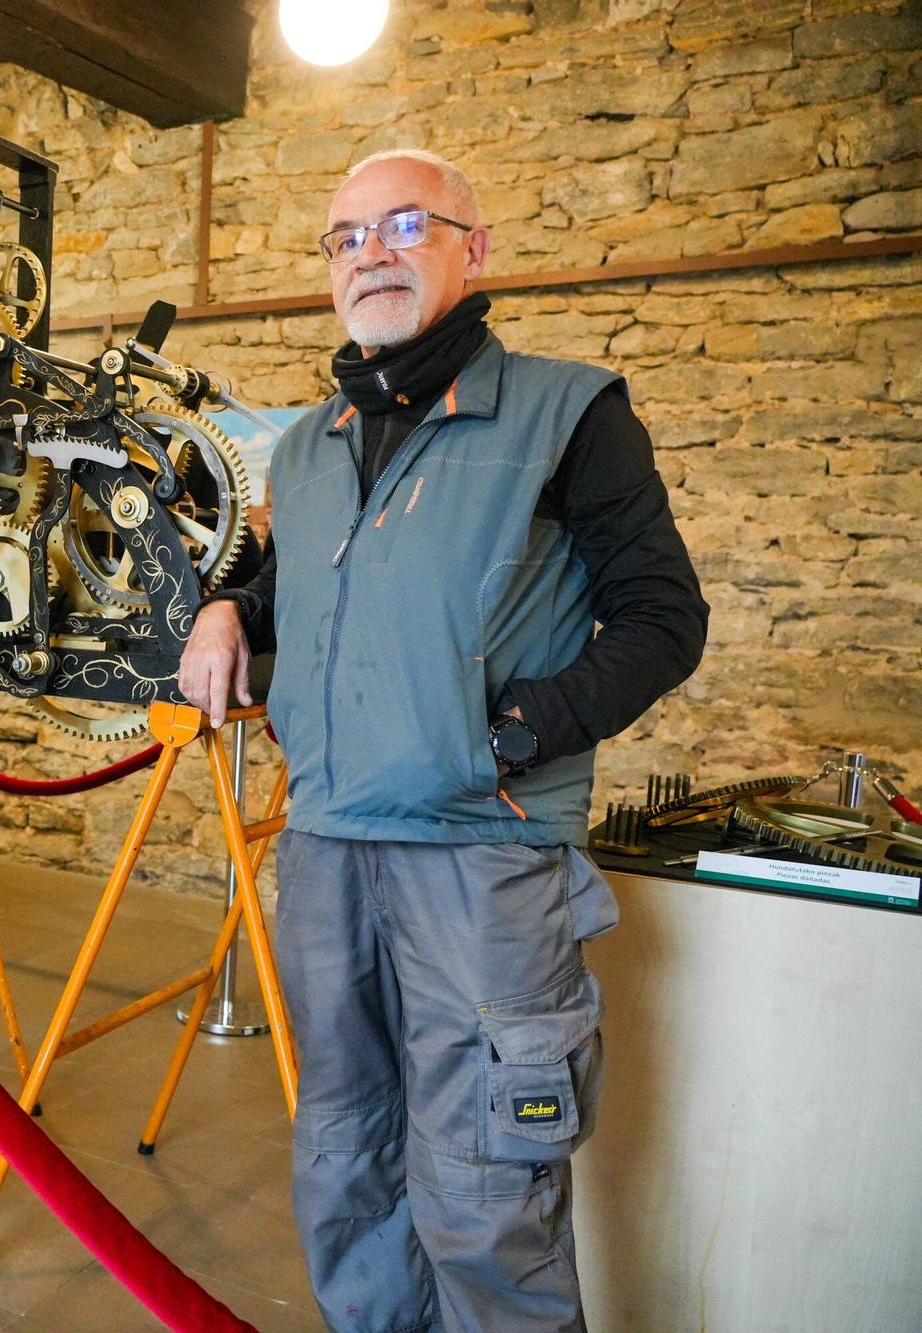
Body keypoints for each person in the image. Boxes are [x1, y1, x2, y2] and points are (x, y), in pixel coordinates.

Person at [179, 150, 707, 1330]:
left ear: (473, 250)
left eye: (405, 225)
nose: (371, 252)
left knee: (481, 1187)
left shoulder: (570, 411)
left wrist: (515, 732)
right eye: (345, 235)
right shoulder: (308, 444)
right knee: (342, 1160)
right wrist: (228, 605)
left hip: (482, 855)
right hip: (323, 850)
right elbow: (296, 584)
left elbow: (664, 618)